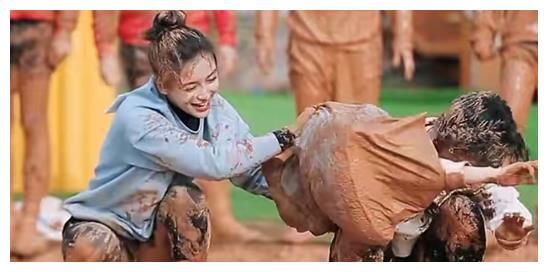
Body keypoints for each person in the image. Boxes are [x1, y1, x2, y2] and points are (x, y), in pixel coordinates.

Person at [61, 11, 313, 261]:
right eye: (191, 87)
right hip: (108, 223)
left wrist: (301, 194)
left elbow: (246, 169)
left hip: (152, 233)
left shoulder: (215, 106)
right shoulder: (138, 116)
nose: (205, 94)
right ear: (162, 84)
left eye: (211, 79)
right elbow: (215, 164)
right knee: (89, 244)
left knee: (186, 200)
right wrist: (285, 136)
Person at [262, 91, 537, 261]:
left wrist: (510, 220)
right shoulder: (400, 141)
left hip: (426, 247)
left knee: (464, 217)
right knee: (361, 239)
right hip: (378, 245)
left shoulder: (472, 166)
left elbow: (496, 192)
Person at [93, 10, 263, 243]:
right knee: (160, 140)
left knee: (209, 129)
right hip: (142, 42)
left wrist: (227, 39)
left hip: (193, 38)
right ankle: (152, 224)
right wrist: (106, 49)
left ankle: (221, 217)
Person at [255, 10, 414, 242]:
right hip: (307, 38)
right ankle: (306, 213)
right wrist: (264, 37)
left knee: (363, 133)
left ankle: (365, 211)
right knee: (308, 130)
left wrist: (404, 36)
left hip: (361, 41)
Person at [10, 10, 79, 257]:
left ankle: (29, 221)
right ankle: (7, 217)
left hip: (38, 23)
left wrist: (66, 28)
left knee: (34, 121)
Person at [471, 10, 537, 133]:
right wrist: (483, 30)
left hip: (521, 42)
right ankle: (508, 149)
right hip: (522, 46)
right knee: (511, 121)